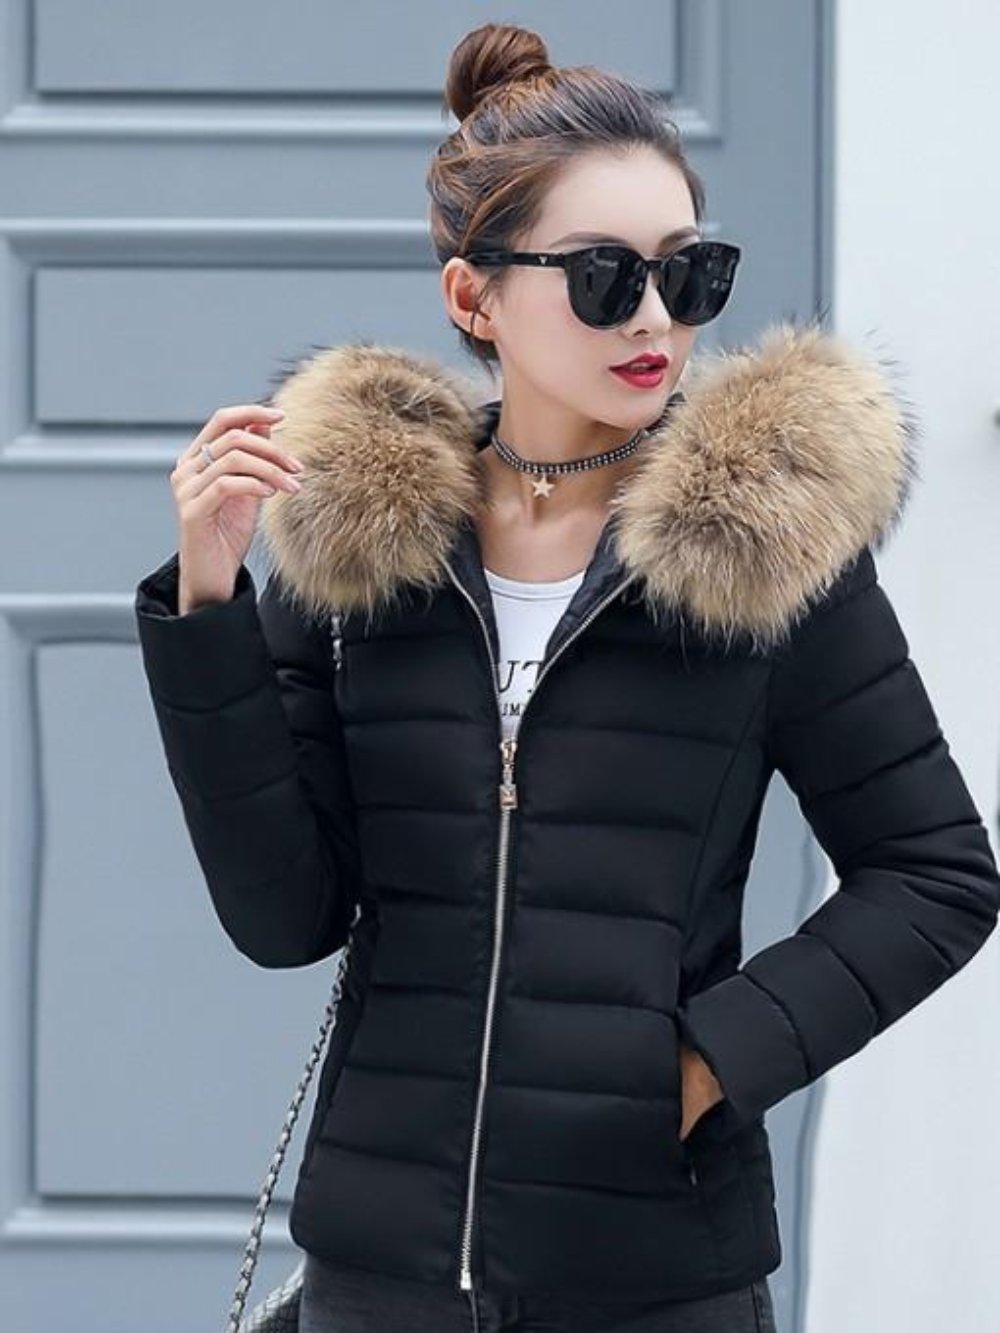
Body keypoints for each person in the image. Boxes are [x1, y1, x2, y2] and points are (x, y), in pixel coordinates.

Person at [133, 21, 1000, 1333]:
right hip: (382, 1275)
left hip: (654, 1277)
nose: (655, 318)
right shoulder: (364, 549)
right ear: (473, 297)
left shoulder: (765, 547)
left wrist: (700, 1065)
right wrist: (210, 606)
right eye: (604, 277)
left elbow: (935, 873)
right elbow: (285, 917)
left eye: (689, 273)